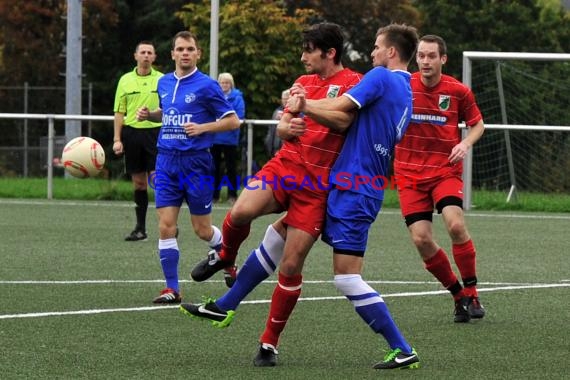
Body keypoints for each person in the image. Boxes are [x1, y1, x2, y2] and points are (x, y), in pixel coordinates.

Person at [180, 22, 362, 365]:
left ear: (330, 52)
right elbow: (282, 125)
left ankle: (268, 344)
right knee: (240, 212)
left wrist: (306, 109)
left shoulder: (354, 82)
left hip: (317, 186)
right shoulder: (303, 82)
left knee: (290, 266)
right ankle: (225, 256)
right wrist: (286, 127)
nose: (302, 55)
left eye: (308, 49)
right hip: (285, 167)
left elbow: (344, 124)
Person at [282, 23, 420, 370]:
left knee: (345, 276)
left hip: (353, 186)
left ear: (391, 52)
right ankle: (228, 297)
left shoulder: (380, 76)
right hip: (364, 187)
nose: (372, 52)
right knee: (286, 230)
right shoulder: (408, 91)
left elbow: (341, 107)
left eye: (376, 46)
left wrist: (301, 103)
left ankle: (403, 348)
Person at [136, 31, 240, 303]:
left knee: (202, 229)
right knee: (165, 226)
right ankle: (172, 289)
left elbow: (232, 122)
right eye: (180, 49)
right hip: (166, 161)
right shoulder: (164, 83)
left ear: (197, 54)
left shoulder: (207, 85)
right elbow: (167, 111)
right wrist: (151, 115)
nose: (184, 53)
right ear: (172, 54)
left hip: (197, 163)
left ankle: (227, 258)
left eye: (189, 49)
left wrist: (203, 127)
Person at [394, 34, 486, 323]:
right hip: (408, 172)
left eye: (431, 56)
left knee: (456, 225)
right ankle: (457, 295)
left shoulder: (458, 91)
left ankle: (472, 292)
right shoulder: (402, 86)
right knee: (422, 240)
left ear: (442, 59)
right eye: (421, 55)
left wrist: (465, 143)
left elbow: (477, 124)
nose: (425, 61)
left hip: (444, 170)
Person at [113, 41, 163, 241]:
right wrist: (117, 139)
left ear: (154, 57)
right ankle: (140, 228)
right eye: (142, 52)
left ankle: (167, 226)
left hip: (155, 133)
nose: (146, 55)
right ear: (135, 56)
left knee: (158, 180)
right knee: (139, 183)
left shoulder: (162, 80)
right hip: (132, 135)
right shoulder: (125, 80)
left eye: (149, 52)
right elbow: (119, 111)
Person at [212, 72, 245, 205]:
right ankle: (214, 196)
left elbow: (239, 114)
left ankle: (233, 195)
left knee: (231, 168)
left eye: (226, 82)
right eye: (222, 82)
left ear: (231, 84)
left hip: (230, 138)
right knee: (214, 167)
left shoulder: (237, 97)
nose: (224, 85)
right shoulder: (214, 96)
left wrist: (222, 121)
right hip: (215, 137)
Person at [264, 89, 290, 157]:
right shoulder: (277, 111)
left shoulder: (298, 111)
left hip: (287, 146)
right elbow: (271, 130)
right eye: (283, 99)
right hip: (275, 146)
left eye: (287, 98)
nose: (285, 101)